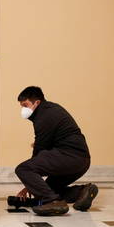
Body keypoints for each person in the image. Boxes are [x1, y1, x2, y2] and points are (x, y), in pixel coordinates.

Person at [15, 86, 98, 216]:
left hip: (70, 157)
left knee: (23, 169)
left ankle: (53, 202)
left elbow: (39, 150)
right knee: (48, 189)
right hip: (81, 161)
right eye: (21, 106)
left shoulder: (43, 116)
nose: (23, 109)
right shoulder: (50, 110)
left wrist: (30, 182)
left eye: (25, 105)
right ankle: (82, 192)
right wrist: (34, 185)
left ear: (37, 102)